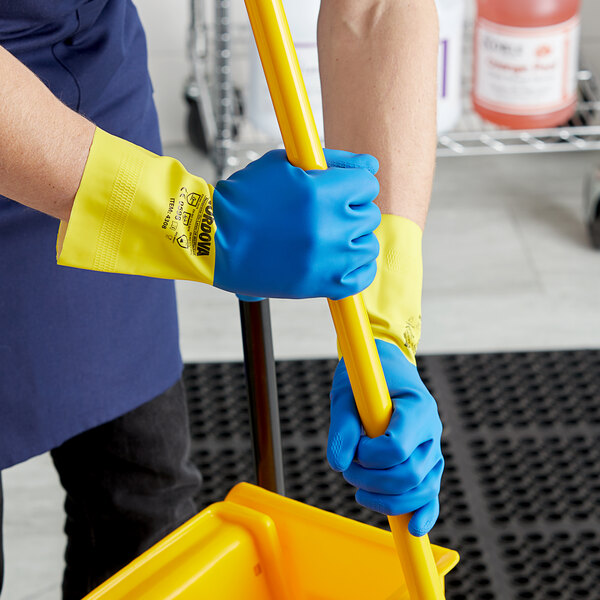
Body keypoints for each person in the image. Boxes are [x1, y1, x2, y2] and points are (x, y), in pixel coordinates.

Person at [0, 0, 442, 598]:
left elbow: (375, 10)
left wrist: (384, 324)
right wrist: (194, 225)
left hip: (85, 83)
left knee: (147, 512)